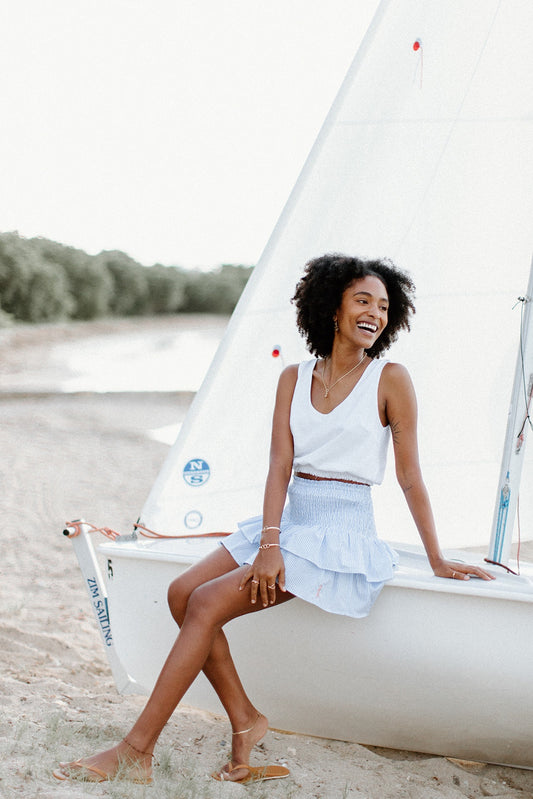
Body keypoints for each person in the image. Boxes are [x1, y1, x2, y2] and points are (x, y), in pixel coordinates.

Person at [53, 253, 494, 786]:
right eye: (362, 301)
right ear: (332, 307)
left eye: (383, 306)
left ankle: (135, 749)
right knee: (180, 593)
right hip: (289, 519)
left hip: (340, 533)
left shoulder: (390, 379)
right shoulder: (293, 377)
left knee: (208, 602)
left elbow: (410, 478)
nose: (374, 313)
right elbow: (279, 468)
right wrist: (269, 542)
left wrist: (437, 559)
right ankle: (245, 720)